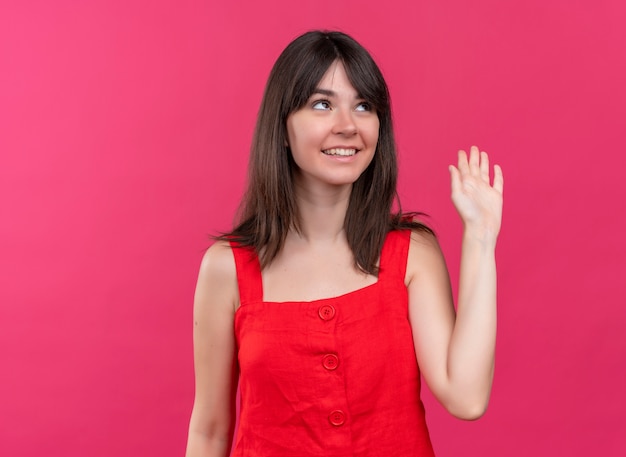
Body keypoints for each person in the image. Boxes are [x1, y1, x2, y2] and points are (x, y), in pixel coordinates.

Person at [185, 30, 504, 457]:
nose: (348, 126)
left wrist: (481, 237)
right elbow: (209, 433)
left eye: (363, 106)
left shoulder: (411, 255)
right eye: (322, 104)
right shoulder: (227, 268)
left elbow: (466, 397)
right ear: (281, 127)